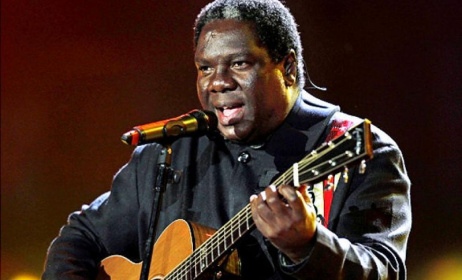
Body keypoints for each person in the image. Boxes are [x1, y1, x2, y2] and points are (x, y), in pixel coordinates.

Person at [43, 0, 411, 279]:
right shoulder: (169, 153)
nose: (216, 82)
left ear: (287, 68)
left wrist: (309, 246)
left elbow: (385, 270)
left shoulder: (356, 147)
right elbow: (81, 237)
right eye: (205, 68)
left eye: (239, 64)